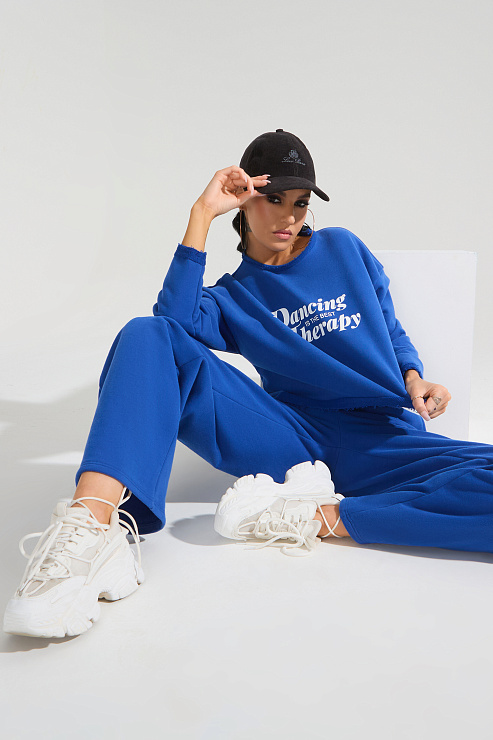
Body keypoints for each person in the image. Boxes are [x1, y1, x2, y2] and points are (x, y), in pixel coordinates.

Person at [4, 129, 492, 638]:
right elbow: (174, 319)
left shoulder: (344, 248)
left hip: (385, 441)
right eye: (273, 199)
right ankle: (92, 529)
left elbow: (389, 327)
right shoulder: (233, 296)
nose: (288, 217)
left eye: (299, 203)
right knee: (148, 333)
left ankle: (312, 517)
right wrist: (201, 215)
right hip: (291, 439)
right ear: (244, 201)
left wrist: (414, 377)